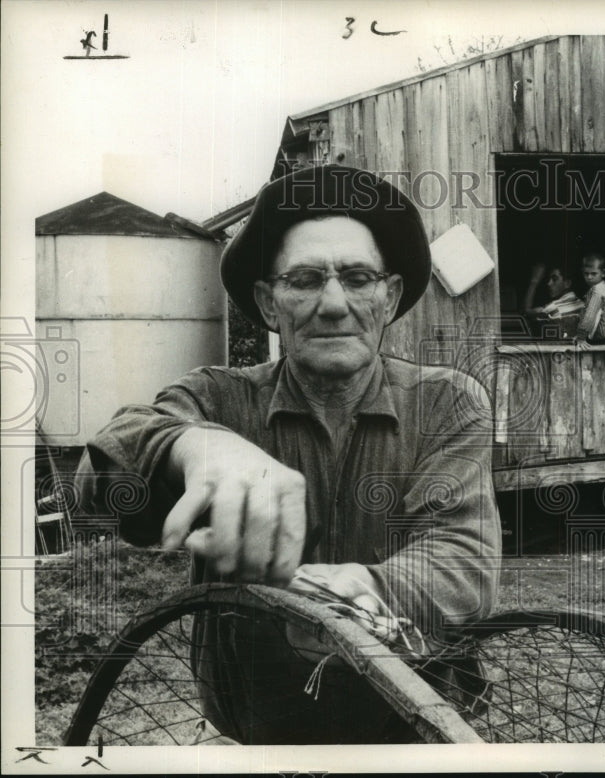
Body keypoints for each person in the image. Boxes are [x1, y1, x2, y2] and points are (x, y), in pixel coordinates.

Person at [75, 163, 501, 743]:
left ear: (390, 296)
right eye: (304, 280)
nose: (332, 303)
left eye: (357, 278)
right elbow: (98, 488)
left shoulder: (448, 403)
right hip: (253, 730)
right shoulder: (216, 399)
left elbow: (464, 559)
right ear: (269, 303)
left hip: (412, 729)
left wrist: (346, 597)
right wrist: (193, 445)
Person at [575, 253, 605, 344]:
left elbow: (589, 315)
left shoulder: (598, 291)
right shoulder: (600, 288)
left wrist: (581, 338)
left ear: (603, 273)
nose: (589, 277)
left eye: (593, 273)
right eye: (586, 273)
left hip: (604, 340)